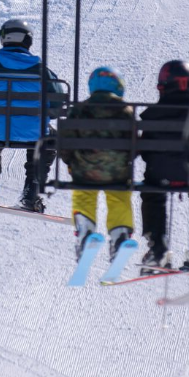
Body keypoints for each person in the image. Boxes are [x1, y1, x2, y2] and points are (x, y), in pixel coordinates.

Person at [0, 18, 65, 214]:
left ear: (4, 40)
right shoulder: (42, 71)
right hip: (34, 132)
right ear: (28, 41)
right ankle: (31, 194)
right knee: (47, 140)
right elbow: (56, 107)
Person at [62, 67, 136, 260]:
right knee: (119, 196)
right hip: (117, 172)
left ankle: (85, 230)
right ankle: (119, 234)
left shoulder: (79, 110)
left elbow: (66, 142)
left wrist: (70, 162)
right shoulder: (126, 111)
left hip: (84, 171)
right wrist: (124, 161)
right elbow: (134, 144)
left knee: (83, 192)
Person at [138, 59, 189, 274]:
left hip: (159, 175)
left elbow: (144, 150)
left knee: (152, 191)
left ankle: (158, 249)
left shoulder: (152, 114)